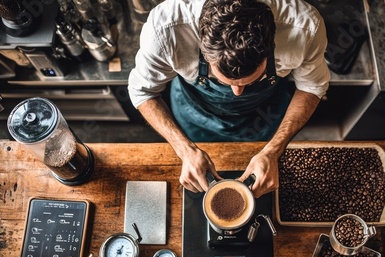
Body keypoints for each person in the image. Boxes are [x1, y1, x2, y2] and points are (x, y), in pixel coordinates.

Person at [128, 0, 330, 198]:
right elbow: (144, 91)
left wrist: (273, 151)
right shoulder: (166, 29)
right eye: (223, 80)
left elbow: (311, 87)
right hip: (195, 114)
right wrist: (185, 150)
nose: (237, 93)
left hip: (266, 113)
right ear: (204, 51)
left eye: (251, 80)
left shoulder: (305, 27)